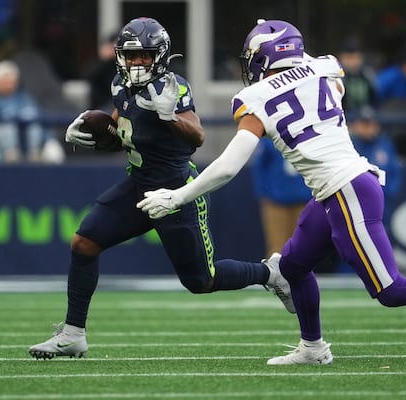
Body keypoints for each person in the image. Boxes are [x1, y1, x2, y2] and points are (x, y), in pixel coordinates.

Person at [138, 18, 406, 365]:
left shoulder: (256, 99)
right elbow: (333, 83)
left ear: (263, 58)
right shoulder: (324, 68)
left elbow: (227, 167)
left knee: (390, 288)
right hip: (340, 188)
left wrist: (177, 196)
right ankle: (313, 347)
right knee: (290, 267)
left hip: (347, 188)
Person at [28, 17, 293, 360]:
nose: (137, 62)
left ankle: (269, 273)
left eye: (145, 55)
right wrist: (91, 131)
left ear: (161, 55)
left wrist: (171, 117)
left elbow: (196, 135)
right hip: (139, 185)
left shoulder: (173, 87)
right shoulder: (119, 86)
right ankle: (73, 334)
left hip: (175, 192)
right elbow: (122, 132)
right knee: (84, 242)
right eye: (132, 55)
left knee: (201, 281)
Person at [0, 60, 65, 163]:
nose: (9, 83)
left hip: (33, 148)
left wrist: (47, 139)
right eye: (5, 80)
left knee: (53, 150)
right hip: (3, 150)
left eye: (12, 80)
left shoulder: (25, 98)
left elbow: (39, 118)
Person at [251, 138, 312, 257]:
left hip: (304, 199)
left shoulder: (308, 134)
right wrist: (263, 193)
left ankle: (301, 275)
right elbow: (259, 166)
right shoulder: (270, 136)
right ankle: (276, 274)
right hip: (276, 201)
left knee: (303, 247)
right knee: (277, 247)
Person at [349, 106, 402, 227]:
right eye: (363, 124)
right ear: (356, 125)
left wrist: (387, 195)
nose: (367, 128)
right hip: (356, 205)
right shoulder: (349, 146)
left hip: (383, 204)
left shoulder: (385, 144)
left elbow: (395, 171)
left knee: (383, 237)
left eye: (370, 124)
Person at [336, 35, 377, 112]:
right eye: (348, 58)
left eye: (355, 58)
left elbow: (376, 100)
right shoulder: (335, 78)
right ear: (341, 58)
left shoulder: (368, 75)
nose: (352, 63)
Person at [84, 32, 118, 112]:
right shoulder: (104, 64)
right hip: (101, 107)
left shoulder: (126, 65)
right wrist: (103, 60)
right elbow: (89, 75)